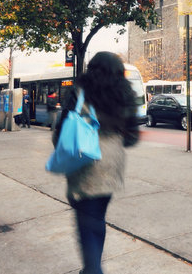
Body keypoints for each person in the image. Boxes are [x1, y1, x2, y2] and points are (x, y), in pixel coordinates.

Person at [52, 52, 139, 274]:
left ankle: (92, 269)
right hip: (112, 163)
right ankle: (91, 267)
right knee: (97, 216)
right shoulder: (125, 94)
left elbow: (62, 131)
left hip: (85, 160)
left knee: (86, 220)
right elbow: (132, 137)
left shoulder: (79, 91)